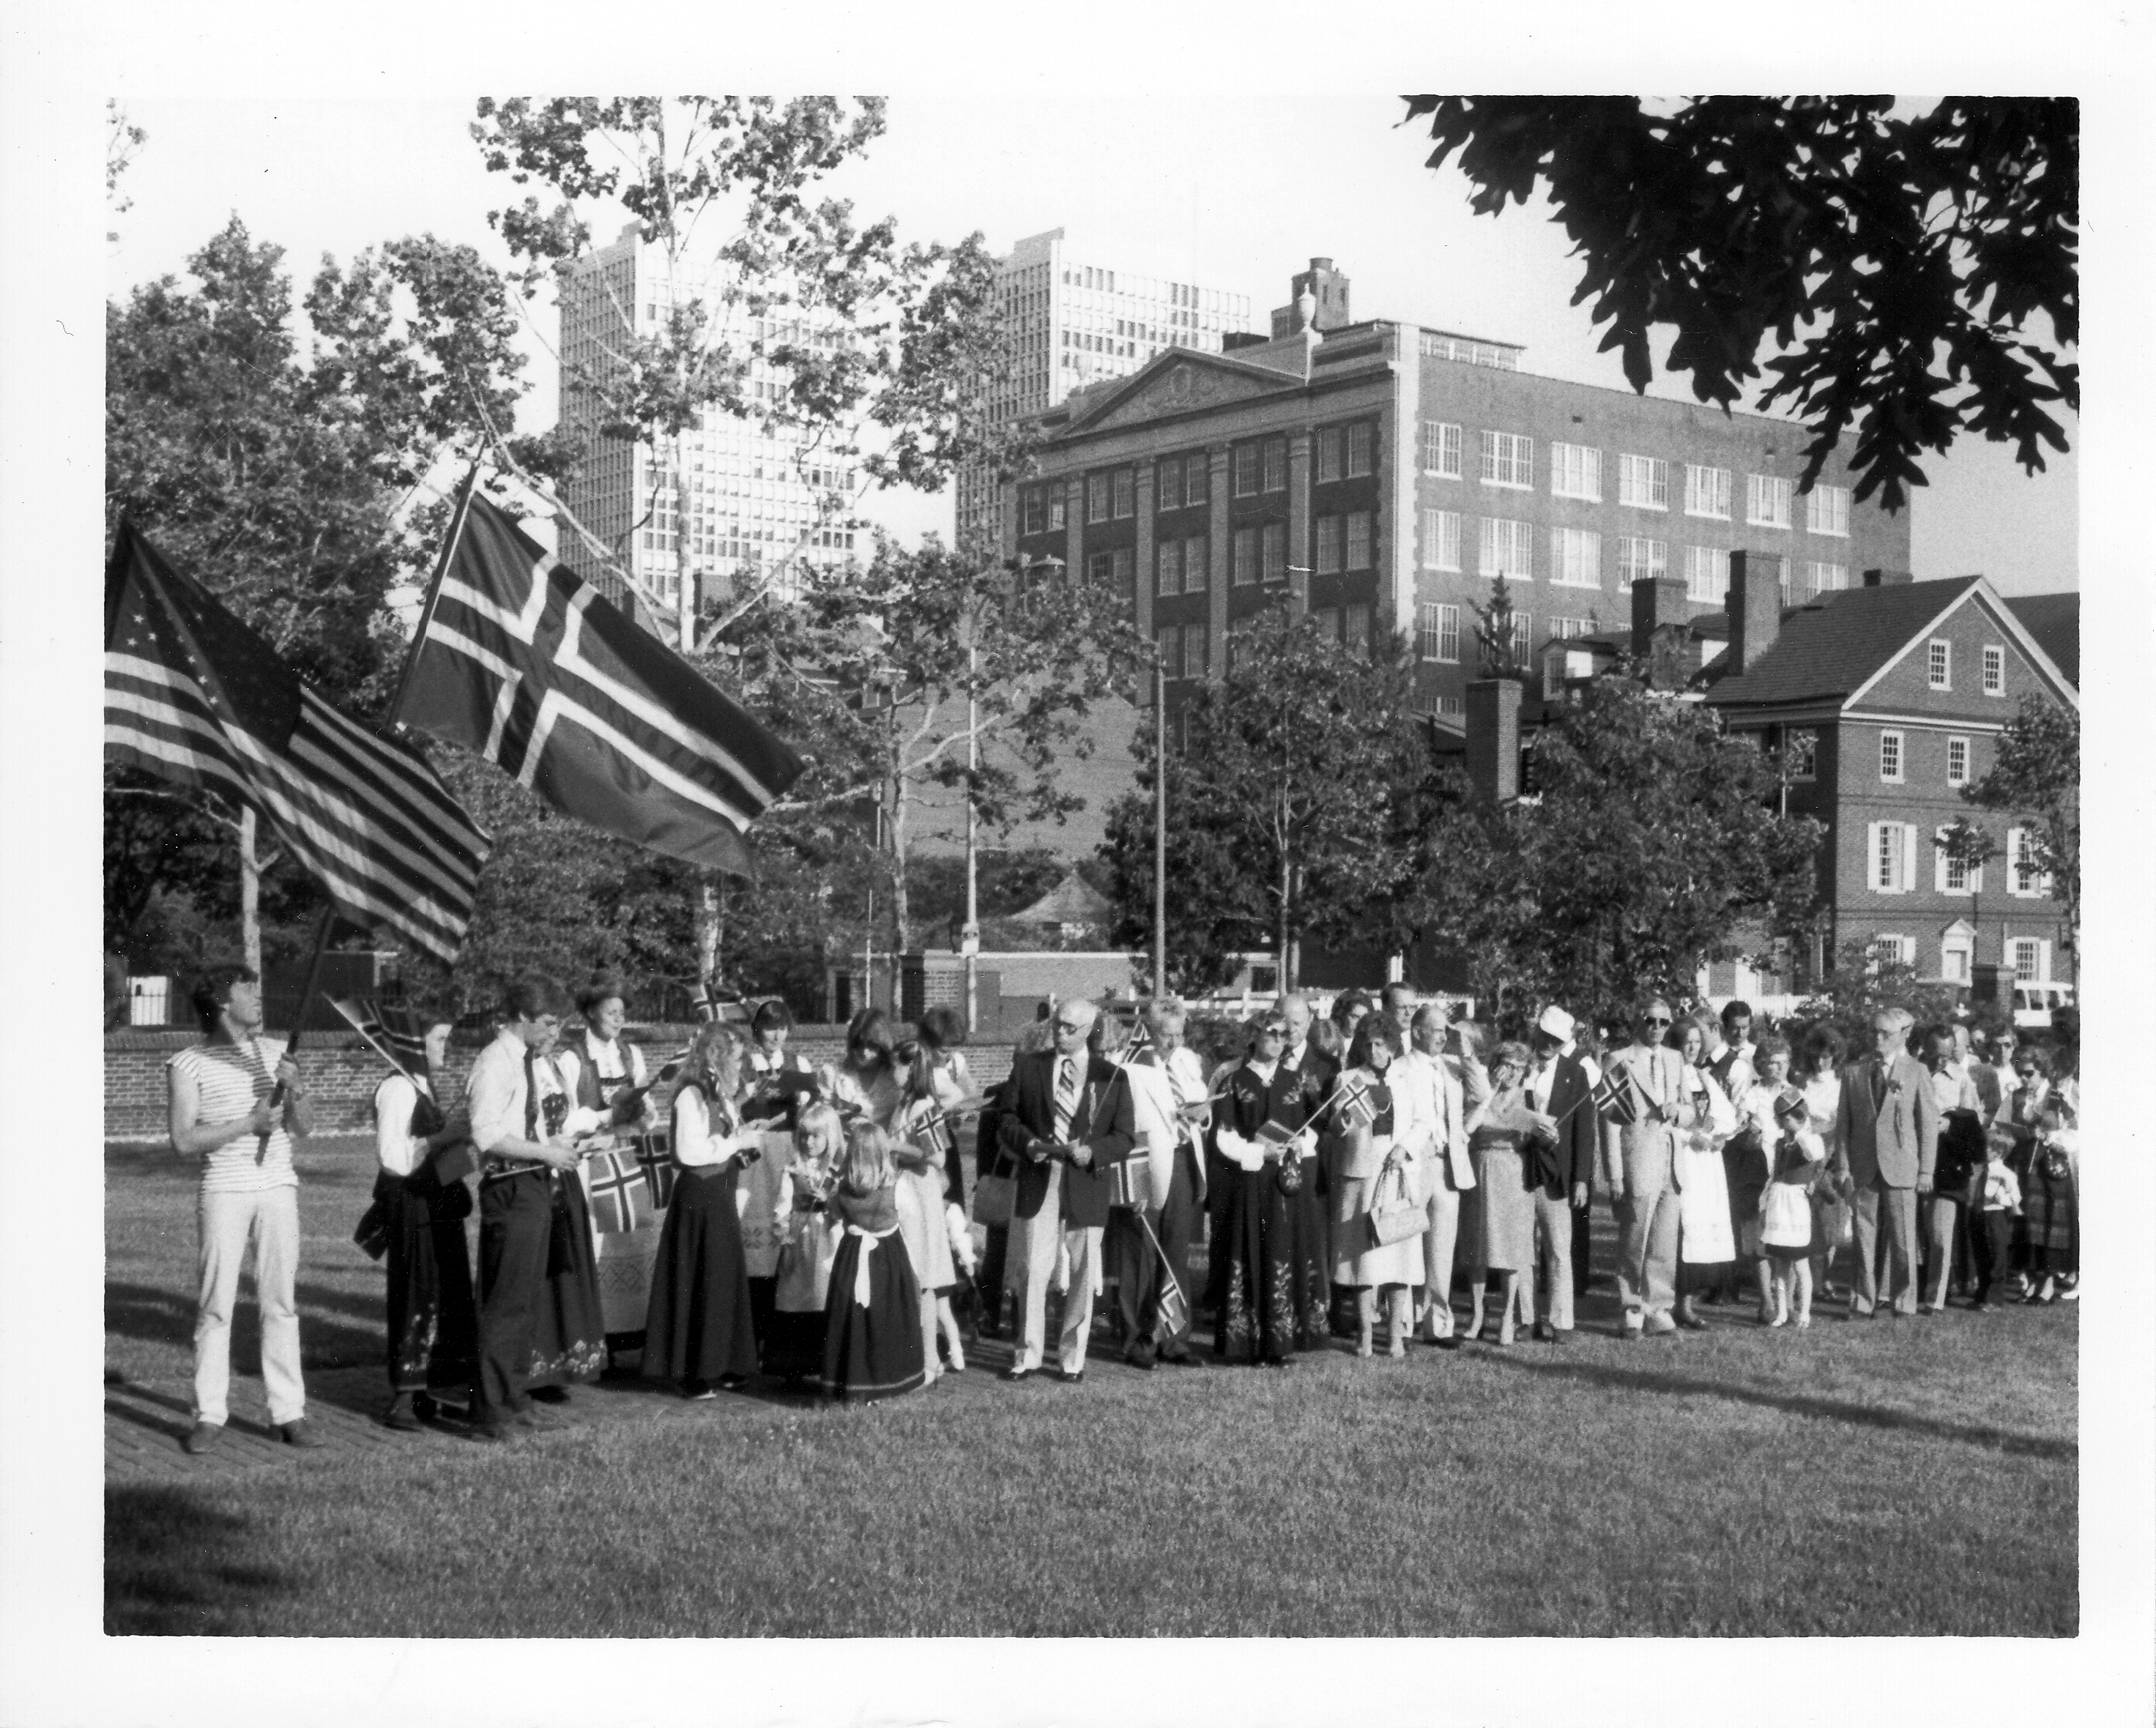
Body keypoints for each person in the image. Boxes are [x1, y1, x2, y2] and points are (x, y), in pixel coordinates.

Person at [167, 964, 321, 1453]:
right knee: (216, 1306)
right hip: (225, 1190)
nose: (259, 996)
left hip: (278, 1187)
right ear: (221, 1001)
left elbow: (305, 1128)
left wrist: (294, 1089)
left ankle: (288, 1412)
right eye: (247, 989)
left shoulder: (276, 1052)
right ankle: (209, 1414)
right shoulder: (187, 1063)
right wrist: (248, 1123)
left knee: (281, 1302)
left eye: (258, 985)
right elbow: (184, 1140)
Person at [464, 973, 594, 1444]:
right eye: (545, 1022)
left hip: (534, 1184)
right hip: (511, 1188)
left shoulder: (522, 1061)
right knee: (504, 1304)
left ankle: (514, 1398)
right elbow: (487, 1134)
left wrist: (554, 1145)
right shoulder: (495, 1064)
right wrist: (546, 1153)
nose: (552, 1032)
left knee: (524, 1302)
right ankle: (489, 1412)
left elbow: (524, 1127)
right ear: (520, 1018)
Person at [990, 997, 1137, 1383]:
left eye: (1071, 1028)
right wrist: (1029, 1144)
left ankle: (1072, 1358)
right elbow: (1007, 1120)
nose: (1060, 1032)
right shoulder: (1029, 1067)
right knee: (1032, 1270)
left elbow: (1124, 1137)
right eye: (1058, 1024)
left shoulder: (1113, 1076)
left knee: (1082, 1269)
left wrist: (1093, 1152)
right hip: (1040, 1177)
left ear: (1090, 1030)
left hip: (1085, 1182)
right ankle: (1028, 1354)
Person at [642, 1020, 761, 1396]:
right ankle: (694, 1371)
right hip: (700, 1198)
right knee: (700, 1282)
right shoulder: (691, 1095)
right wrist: (734, 1142)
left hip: (720, 1194)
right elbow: (688, 1152)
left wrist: (740, 1142)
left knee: (722, 1280)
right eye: (736, 1060)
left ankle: (722, 1362)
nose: (740, 1069)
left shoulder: (719, 1095)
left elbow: (722, 1138)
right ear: (716, 1056)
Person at [369, 1016, 477, 1430]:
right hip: (412, 1205)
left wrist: (454, 1140)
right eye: (439, 1038)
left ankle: (429, 1387)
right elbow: (394, 1159)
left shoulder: (421, 1085)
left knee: (444, 1290)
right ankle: (404, 1395)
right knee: (417, 1290)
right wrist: (446, 1134)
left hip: (437, 1200)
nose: (445, 1046)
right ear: (414, 1042)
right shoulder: (397, 1088)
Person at [1211, 1009, 1330, 1364]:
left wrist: (1297, 1147)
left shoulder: (1298, 1081)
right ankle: (1250, 1343)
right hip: (1250, 1181)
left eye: (1284, 1034)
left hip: (1287, 1184)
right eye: (1272, 1033)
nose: (1280, 1040)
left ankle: (1282, 1342)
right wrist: (1259, 1152)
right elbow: (1224, 1135)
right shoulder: (1235, 1081)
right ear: (1254, 1037)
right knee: (1252, 1251)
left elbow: (1313, 1129)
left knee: (1285, 1250)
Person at [554, 977, 661, 1360]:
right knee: (597, 1244)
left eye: (622, 1010)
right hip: (589, 1164)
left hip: (627, 1159)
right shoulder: (572, 1058)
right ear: (589, 1013)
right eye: (610, 1010)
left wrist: (643, 1113)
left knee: (632, 1240)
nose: (619, 1017)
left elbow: (650, 1114)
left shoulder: (631, 1054)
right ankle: (594, 1337)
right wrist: (606, 1114)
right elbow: (565, 1120)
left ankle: (628, 1335)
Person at [1834, 1007, 1941, 1320]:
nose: (1877, 1039)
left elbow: (1928, 1125)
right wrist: (1843, 1168)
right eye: (1874, 1032)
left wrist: (1926, 1170)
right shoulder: (1854, 1073)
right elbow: (1844, 1127)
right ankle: (1863, 1301)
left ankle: (1904, 1301)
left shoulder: (1917, 1072)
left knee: (1904, 1238)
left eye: (1886, 1034)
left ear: (1904, 1035)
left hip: (1903, 1168)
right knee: (1863, 1237)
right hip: (1864, 1168)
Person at [1120, 999, 1209, 1366]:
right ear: (1149, 1032)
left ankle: (1174, 1339)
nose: (1172, 1042)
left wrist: (1202, 1115)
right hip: (1148, 1164)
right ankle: (1138, 1341)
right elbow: (1126, 1127)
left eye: (1178, 1034)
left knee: (1176, 1253)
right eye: (1164, 1035)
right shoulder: (1130, 1066)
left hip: (1185, 1163)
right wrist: (1135, 1186)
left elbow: (1203, 1107)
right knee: (1142, 1254)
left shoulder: (1189, 1062)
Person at [1330, 1017, 1424, 1357]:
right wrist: (1343, 1120)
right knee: (1364, 1256)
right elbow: (1338, 1128)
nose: (1375, 1051)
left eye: (1381, 1044)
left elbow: (1422, 1121)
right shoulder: (1347, 1079)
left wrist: (1405, 1148)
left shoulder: (1407, 1077)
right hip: (1361, 1171)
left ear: (1394, 1045)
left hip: (1399, 1169)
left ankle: (1396, 1335)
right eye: (1369, 1044)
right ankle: (1365, 1335)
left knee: (1400, 1254)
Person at [1600, 997, 1692, 1340]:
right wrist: (1615, 1174)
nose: (1656, 1029)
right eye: (1650, 1021)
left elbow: (1690, 1109)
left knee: (1664, 1241)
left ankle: (1659, 1309)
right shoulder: (1620, 1059)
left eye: (1664, 1023)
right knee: (1634, 1238)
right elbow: (1609, 1122)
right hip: (1637, 1160)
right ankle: (1631, 1309)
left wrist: (1678, 1113)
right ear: (1638, 1023)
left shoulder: (1675, 1058)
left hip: (1671, 1159)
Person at [817, 1122, 928, 1402]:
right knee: (886, 1318)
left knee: (853, 1318)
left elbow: (833, 1218)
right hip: (888, 1256)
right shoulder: (896, 1186)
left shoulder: (842, 1187)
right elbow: (911, 1218)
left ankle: (851, 1382)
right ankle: (885, 1382)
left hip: (853, 1255)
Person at [1393, 1002, 1471, 1344]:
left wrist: (1467, 1054)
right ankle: (1404, 1324)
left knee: (1442, 1248)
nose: (1443, 1037)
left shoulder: (1453, 1068)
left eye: (1445, 1031)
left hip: (1447, 1164)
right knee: (1408, 1244)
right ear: (1417, 1032)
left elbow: (1482, 1095)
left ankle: (1437, 1323)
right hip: (1416, 1161)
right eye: (1437, 1030)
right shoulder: (1401, 1067)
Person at [736, 999, 812, 1353]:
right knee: (755, 1238)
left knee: (785, 1233)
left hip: (788, 1152)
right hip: (754, 1154)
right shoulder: (743, 1064)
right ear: (756, 1030)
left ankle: (781, 1326)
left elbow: (813, 1112)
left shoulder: (798, 1063)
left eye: (783, 1027)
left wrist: (804, 1097)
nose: (777, 1034)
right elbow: (731, 1106)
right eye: (770, 1027)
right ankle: (752, 1325)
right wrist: (749, 1095)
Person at [1520, 1007, 1597, 1344]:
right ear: (1536, 1032)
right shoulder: (1518, 1066)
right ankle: (1525, 1317)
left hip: (1558, 1173)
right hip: (1521, 1167)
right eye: (1545, 1036)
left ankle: (1561, 1319)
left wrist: (1581, 1177)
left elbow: (1585, 1129)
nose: (1548, 1044)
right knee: (1523, 1248)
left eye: (1556, 1040)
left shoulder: (1575, 1073)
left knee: (1558, 1247)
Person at [1463, 1040, 1542, 1347]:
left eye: (1519, 1067)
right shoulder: (1481, 1092)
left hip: (1514, 1172)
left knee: (1511, 1248)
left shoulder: (1532, 1098)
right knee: (1477, 1246)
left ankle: (1508, 1316)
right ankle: (1478, 1313)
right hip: (1481, 1168)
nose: (1511, 1072)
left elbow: (1537, 1134)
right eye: (1506, 1064)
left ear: (1526, 1071)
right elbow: (1470, 1126)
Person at [893, 1049, 964, 1382]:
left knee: (923, 1278)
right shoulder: (903, 1105)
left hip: (921, 1194)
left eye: (894, 1066)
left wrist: (896, 1149)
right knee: (914, 1276)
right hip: (905, 1191)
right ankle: (918, 1357)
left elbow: (937, 1158)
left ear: (909, 1068)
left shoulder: (924, 1107)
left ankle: (930, 1361)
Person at [766, 1101, 845, 1382]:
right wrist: (784, 1235)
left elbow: (848, 1205)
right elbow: (782, 1206)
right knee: (797, 1295)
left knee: (825, 1293)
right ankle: (794, 1364)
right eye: (804, 1136)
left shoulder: (838, 1169)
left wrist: (832, 1203)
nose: (809, 1142)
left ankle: (828, 1362)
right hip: (801, 1240)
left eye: (816, 1136)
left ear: (830, 1137)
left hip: (830, 1239)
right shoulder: (794, 1169)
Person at [1672, 1018, 1738, 1331]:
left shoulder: (1702, 1076)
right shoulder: (1670, 1076)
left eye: (1697, 1042)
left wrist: (1718, 1130)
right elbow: (1665, 1122)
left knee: (1701, 1232)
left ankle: (1687, 1303)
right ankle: (1673, 1304)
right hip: (1683, 1158)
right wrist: (1690, 1136)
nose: (1692, 1047)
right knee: (1682, 1229)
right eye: (1687, 1041)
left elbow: (1727, 1115)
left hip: (1706, 1164)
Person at [1919, 1023, 1985, 1314]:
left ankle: (1935, 1298)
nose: (1940, 1061)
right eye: (1935, 1054)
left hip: (1946, 1166)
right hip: (1913, 1162)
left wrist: (1951, 1124)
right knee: (1916, 1237)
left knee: (1940, 1236)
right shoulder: (1913, 1074)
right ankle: (1909, 1293)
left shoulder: (1961, 1080)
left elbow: (1974, 1127)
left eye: (1946, 1055)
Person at [1725, 1038, 1791, 1315]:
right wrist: (1749, 1135)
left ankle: (1785, 1300)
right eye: (1768, 1063)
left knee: (1786, 1238)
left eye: (1780, 1063)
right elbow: (1737, 1131)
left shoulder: (1795, 1094)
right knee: (1759, 1239)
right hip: (1757, 1172)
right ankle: (1767, 1300)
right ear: (1760, 1066)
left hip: (1787, 1171)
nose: (1774, 1069)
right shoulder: (1751, 1096)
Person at [1759, 1093, 1826, 1328]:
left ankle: (1805, 1311)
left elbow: (1814, 1155)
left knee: (1800, 1262)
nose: (1785, 1122)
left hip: (1796, 1203)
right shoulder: (1779, 1143)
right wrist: (1765, 1201)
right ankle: (1782, 1312)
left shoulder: (1810, 1140)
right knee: (1780, 1264)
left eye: (1790, 1117)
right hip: (1778, 1202)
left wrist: (1799, 1131)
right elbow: (1773, 1174)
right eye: (1782, 1118)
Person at [1796, 1026, 1853, 1301]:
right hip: (1806, 1156)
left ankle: (1825, 1276)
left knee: (1830, 1225)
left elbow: (1841, 1124)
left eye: (1827, 1056)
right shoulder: (1801, 1083)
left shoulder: (1842, 1085)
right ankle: (1813, 1281)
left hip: (1832, 1158)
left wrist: (1829, 1156)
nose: (1821, 1062)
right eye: (1817, 1056)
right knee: (1809, 1224)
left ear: (1835, 1056)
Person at [2017, 1092, 2078, 1304]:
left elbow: (2074, 1135)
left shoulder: (2062, 1097)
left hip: (2055, 1168)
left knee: (2052, 1223)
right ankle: (2035, 1280)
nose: (2026, 1078)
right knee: (2034, 1223)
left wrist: (2049, 1138)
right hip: (2034, 1165)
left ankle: (2049, 1285)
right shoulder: (2036, 1096)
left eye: (2031, 1073)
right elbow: (2026, 1120)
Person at [914, 1005, 977, 1206]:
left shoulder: (955, 1063)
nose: (948, 1057)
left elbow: (970, 1097)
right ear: (925, 1043)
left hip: (944, 1137)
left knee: (951, 1201)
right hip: (917, 1139)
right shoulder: (914, 1064)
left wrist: (964, 1112)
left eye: (953, 1051)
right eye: (943, 1051)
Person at [1968, 1122, 2024, 1309]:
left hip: (1996, 1215)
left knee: (1996, 1256)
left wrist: (2010, 1202)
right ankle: (1982, 1295)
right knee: (1981, 1254)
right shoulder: (1979, 1170)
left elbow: (2015, 1195)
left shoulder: (2005, 1173)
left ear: (1998, 1151)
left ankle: (1995, 1299)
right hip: (1979, 1214)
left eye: (1985, 1147)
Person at [819, 1005, 902, 1131]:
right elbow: (820, 1118)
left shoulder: (896, 1077)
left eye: (872, 1047)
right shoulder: (833, 1073)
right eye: (859, 1045)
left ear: (883, 1047)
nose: (864, 1052)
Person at [1708, 999, 1758, 1100]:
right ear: (1726, 1027)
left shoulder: (1756, 1054)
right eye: (1735, 1028)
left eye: (1744, 1028)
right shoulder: (1715, 1055)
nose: (1740, 1033)